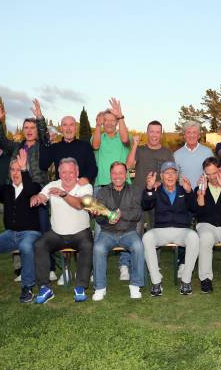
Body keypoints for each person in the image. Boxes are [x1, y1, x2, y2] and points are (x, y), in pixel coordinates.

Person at [0, 147, 42, 306]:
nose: (15, 172)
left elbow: (30, 190)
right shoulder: (7, 190)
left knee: (26, 247)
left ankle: (27, 287)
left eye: (18, 169)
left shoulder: (34, 187)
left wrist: (25, 169)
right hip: (11, 234)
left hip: (30, 234)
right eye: (12, 169)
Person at [30, 158, 94, 303]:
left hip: (80, 232)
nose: (67, 175)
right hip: (57, 234)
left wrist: (63, 194)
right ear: (59, 172)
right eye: (63, 172)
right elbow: (42, 195)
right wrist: (37, 197)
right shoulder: (52, 185)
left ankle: (80, 287)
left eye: (71, 172)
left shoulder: (85, 186)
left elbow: (79, 205)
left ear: (77, 172)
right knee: (40, 245)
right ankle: (45, 288)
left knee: (87, 245)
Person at [141, 161, 198, 296]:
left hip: (181, 230)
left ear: (177, 175)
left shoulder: (184, 189)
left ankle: (186, 281)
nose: (170, 176)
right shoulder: (156, 190)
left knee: (194, 237)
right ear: (161, 175)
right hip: (161, 229)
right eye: (167, 173)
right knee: (147, 237)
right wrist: (149, 189)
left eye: (173, 172)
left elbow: (194, 209)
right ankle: (156, 282)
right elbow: (145, 205)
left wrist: (189, 192)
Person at [91, 98, 133, 281]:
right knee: (101, 228)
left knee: (126, 226)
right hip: (102, 187)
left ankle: (124, 265)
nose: (109, 123)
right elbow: (95, 145)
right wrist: (97, 125)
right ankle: (98, 267)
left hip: (124, 188)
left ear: (116, 122)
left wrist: (120, 115)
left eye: (112, 120)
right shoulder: (97, 135)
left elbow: (125, 140)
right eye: (106, 120)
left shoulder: (123, 135)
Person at [91, 162, 145, 300]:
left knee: (138, 246)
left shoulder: (134, 190)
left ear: (126, 174)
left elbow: (137, 213)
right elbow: (99, 219)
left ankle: (135, 285)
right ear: (110, 175)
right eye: (114, 173)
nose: (117, 176)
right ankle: (100, 287)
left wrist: (122, 214)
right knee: (98, 248)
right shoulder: (102, 192)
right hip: (107, 232)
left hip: (128, 232)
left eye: (121, 173)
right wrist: (103, 218)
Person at [173, 120, 214, 278]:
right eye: (188, 132)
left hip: (203, 195)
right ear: (184, 134)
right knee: (185, 229)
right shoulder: (177, 154)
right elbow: (175, 178)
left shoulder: (207, 152)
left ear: (199, 134)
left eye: (194, 132)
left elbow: (212, 173)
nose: (191, 135)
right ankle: (183, 263)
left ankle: (201, 263)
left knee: (204, 229)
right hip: (184, 196)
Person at [191, 157, 221, 293]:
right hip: (207, 224)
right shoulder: (200, 188)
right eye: (208, 174)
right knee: (204, 238)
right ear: (204, 173)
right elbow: (198, 212)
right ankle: (205, 279)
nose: (212, 177)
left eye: (214, 172)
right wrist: (201, 193)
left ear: (220, 170)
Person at [38, 115, 97, 185]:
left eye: (71, 125)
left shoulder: (85, 146)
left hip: (81, 188)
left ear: (76, 128)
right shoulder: (55, 147)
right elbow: (43, 165)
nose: (68, 128)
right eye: (65, 125)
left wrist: (86, 178)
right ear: (61, 129)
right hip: (61, 190)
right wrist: (47, 143)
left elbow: (93, 167)